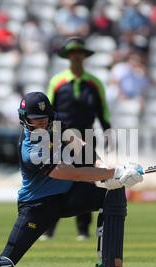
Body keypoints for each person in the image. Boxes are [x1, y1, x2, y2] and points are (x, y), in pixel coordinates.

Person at [0, 91, 143, 267]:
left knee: (112, 193)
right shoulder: (32, 150)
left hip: (67, 195)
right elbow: (74, 173)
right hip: (38, 205)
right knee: (4, 265)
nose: (42, 123)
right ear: (24, 119)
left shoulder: (55, 124)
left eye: (44, 118)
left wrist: (101, 165)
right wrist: (115, 173)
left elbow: (77, 144)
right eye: (35, 120)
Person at [43, 37, 112, 241]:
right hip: (60, 138)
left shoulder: (94, 83)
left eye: (79, 52)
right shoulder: (57, 82)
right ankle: (48, 229)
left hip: (86, 137)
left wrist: (108, 131)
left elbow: (103, 111)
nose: (76, 56)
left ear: (84, 55)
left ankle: (83, 230)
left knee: (87, 182)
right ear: (67, 56)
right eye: (72, 53)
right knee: (55, 181)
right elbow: (49, 112)